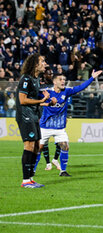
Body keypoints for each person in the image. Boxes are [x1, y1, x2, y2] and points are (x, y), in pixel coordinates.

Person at [34, 70, 103, 177]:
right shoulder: (46, 92)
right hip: (45, 126)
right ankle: (31, 172)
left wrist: (92, 78)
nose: (63, 81)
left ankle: (63, 171)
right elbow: (33, 97)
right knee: (38, 148)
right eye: (60, 79)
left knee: (65, 146)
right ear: (54, 81)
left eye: (64, 80)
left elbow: (80, 87)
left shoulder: (66, 91)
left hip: (59, 128)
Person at [16, 53, 54, 188]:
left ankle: (31, 178)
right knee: (29, 145)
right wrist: (41, 100)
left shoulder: (36, 79)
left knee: (37, 146)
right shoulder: (26, 79)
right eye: (42, 61)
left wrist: (47, 102)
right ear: (35, 64)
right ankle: (25, 180)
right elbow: (22, 100)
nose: (45, 64)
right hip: (25, 115)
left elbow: (36, 101)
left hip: (33, 115)